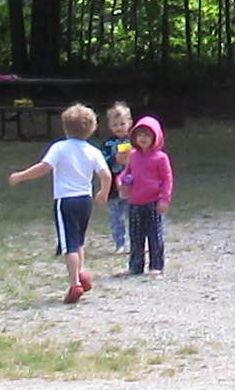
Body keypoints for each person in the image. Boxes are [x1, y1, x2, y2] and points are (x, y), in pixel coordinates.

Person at [9, 103, 111, 303]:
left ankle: (75, 284)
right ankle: (81, 273)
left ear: (65, 127)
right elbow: (106, 174)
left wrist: (21, 176)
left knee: (69, 244)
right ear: (92, 129)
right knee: (79, 239)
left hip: (65, 200)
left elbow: (44, 167)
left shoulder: (59, 148)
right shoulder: (93, 151)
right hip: (85, 200)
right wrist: (103, 192)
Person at [114, 114, 174, 276]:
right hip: (134, 202)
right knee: (135, 236)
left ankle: (156, 265)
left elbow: (167, 179)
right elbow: (126, 173)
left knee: (155, 236)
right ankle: (135, 266)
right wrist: (121, 183)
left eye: (147, 135)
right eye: (140, 134)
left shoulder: (161, 158)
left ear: (156, 136)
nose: (143, 138)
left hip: (153, 202)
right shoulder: (133, 155)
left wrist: (164, 199)